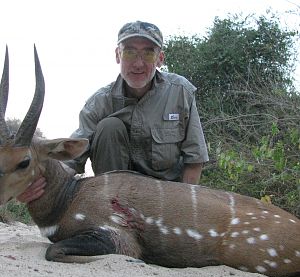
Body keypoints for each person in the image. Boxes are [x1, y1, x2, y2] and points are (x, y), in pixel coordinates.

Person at [18, 20, 209, 203]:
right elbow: (71, 161)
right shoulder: (99, 103)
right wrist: (29, 183)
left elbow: (194, 160)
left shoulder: (180, 92)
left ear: (160, 59)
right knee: (109, 126)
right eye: (130, 53)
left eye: (148, 54)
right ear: (117, 55)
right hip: (118, 201)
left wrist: (183, 209)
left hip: (166, 201)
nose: (138, 64)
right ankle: (113, 215)